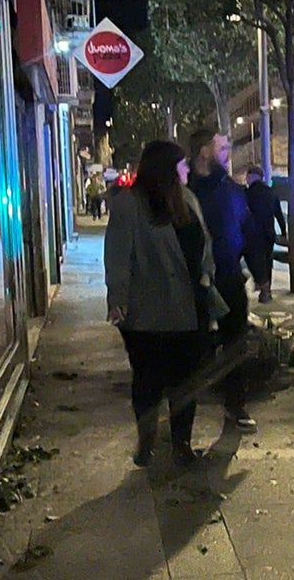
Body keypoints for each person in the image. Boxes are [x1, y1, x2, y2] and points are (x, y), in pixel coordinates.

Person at [104, 140, 219, 467]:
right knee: (148, 381)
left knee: (185, 381)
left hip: (189, 306)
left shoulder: (189, 200)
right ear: (166, 169)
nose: (187, 171)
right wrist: (117, 299)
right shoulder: (130, 205)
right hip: (147, 312)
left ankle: (181, 443)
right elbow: (117, 256)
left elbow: (203, 244)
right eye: (182, 166)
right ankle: (147, 439)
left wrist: (209, 277)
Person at [188, 128, 263, 432]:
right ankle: (184, 416)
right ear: (204, 152)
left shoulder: (230, 189)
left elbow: (248, 231)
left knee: (235, 343)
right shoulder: (185, 190)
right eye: (221, 148)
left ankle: (235, 405)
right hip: (194, 281)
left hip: (229, 277)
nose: (227, 154)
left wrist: (260, 274)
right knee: (195, 347)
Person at [243, 166, 285, 304]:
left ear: (251, 176)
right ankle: (266, 291)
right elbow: (279, 214)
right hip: (268, 235)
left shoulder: (247, 194)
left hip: (252, 235)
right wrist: (283, 232)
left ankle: (262, 287)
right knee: (267, 262)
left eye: (247, 176)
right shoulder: (271, 193)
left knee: (255, 261)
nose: (246, 179)